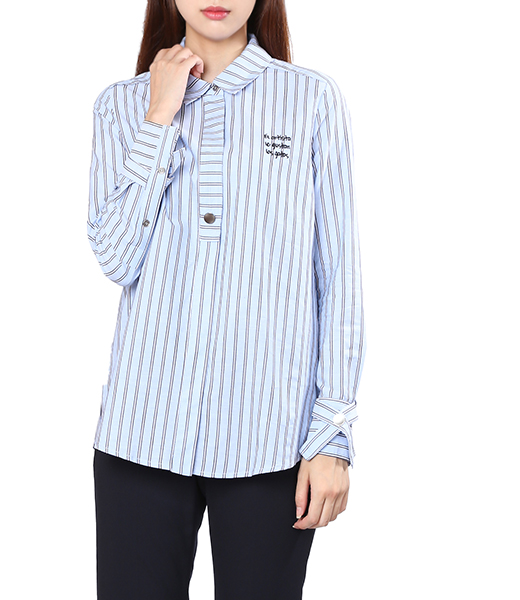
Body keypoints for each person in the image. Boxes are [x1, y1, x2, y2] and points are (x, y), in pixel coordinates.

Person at [86, 1, 366, 598]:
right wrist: (160, 116)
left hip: (270, 444)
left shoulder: (310, 100)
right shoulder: (120, 105)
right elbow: (116, 258)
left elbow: (338, 276)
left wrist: (333, 434)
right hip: (141, 437)